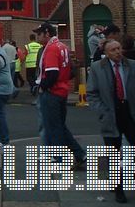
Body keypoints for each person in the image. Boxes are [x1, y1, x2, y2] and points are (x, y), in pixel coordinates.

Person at [87, 39, 135, 203]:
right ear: (106, 53)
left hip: (131, 112)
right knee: (113, 153)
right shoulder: (98, 68)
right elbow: (92, 93)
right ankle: (118, 188)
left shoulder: (134, 66)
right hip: (110, 113)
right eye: (113, 50)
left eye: (119, 48)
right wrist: (102, 112)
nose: (118, 52)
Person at [34, 22, 86, 169]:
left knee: (53, 127)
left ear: (47, 34)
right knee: (60, 126)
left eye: (39, 33)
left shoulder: (50, 49)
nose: (37, 37)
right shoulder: (63, 47)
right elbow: (71, 72)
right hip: (62, 92)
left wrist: (42, 87)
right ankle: (79, 154)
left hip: (52, 93)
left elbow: (52, 74)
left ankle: (59, 159)